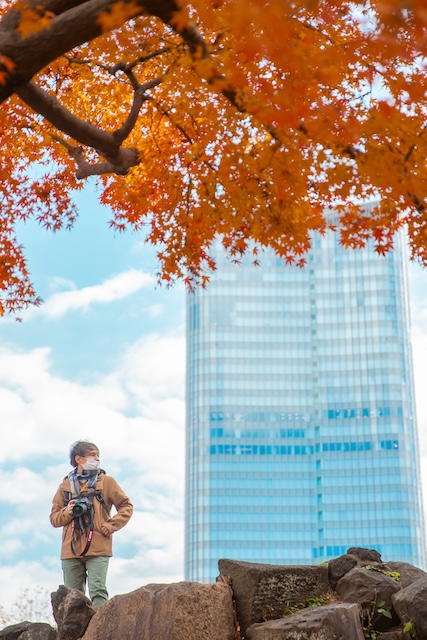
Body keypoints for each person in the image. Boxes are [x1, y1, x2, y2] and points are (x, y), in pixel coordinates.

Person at [50, 440, 133, 608]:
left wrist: (111, 525)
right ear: (79, 459)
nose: (97, 459)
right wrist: (69, 511)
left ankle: (99, 631)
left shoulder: (107, 482)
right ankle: (75, 634)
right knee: (71, 597)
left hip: (99, 543)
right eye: (92, 455)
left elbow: (126, 506)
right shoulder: (65, 486)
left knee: (98, 591)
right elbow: (54, 519)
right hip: (70, 549)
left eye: (98, 455)